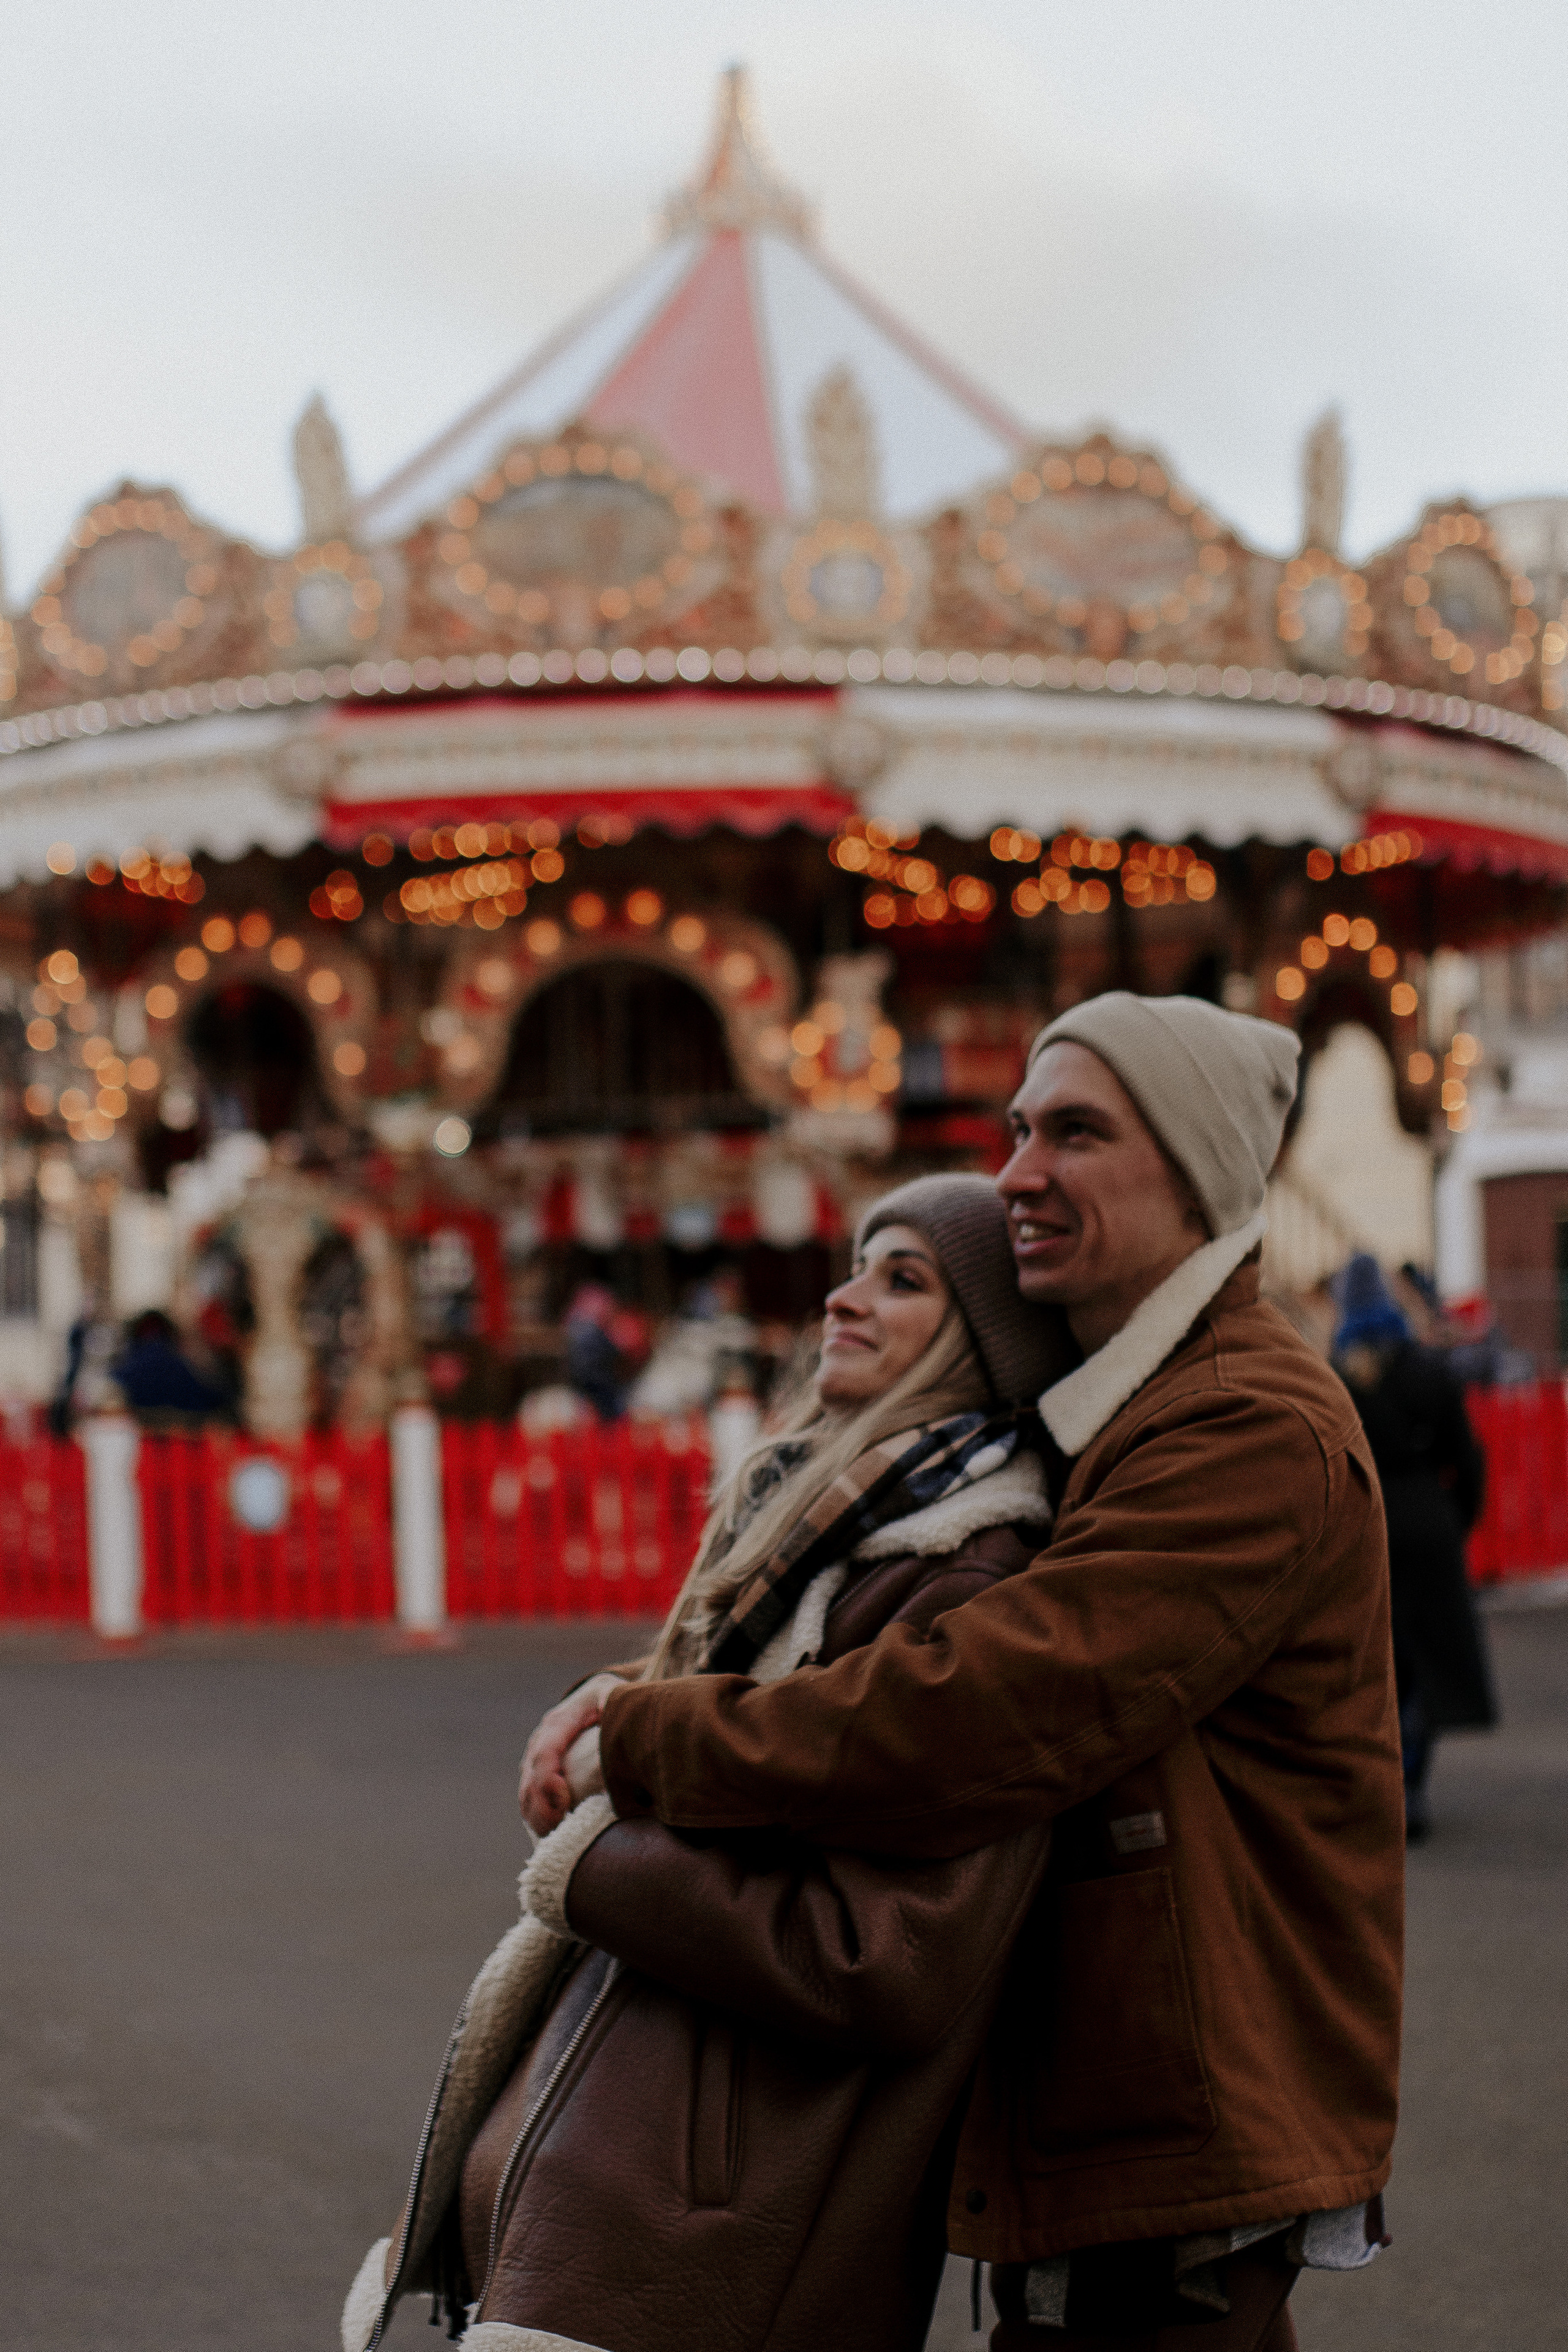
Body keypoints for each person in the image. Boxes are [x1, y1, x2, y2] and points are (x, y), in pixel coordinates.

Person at [551, 992, 1405, 2352]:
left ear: (1188, 1168)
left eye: (1073, 1133)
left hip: (1184, 2096)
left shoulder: (1244, 1423)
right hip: (1119, 2089)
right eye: (1015, 1132)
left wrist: (656, 1745)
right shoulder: (1122, 1406)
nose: (1016, 1172)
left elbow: (989, 1703)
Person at [344, 1175, 1071, 2352]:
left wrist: (600, 1855)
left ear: (982, 1334)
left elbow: (886, 1959)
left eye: (904, 1280)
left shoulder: (962, 1583)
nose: (844, 1299)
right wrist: (632, 1725)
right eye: (856, 1266)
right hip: (636, 2198)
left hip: (720, 2239)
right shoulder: (815, 1529)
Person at [1333, 1252, 1494, 1841]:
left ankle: (1381, 1783)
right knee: (1426, 1668)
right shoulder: (1428, 1372)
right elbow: (1468, 1458)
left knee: (1377, 1668)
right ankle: (1411, 1783)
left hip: (1362, 1530)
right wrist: (1457, 1522)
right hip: (1428, 1526)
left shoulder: (1334, 1378)